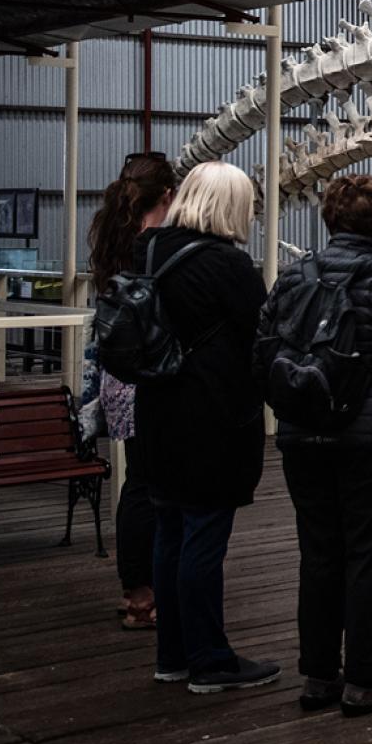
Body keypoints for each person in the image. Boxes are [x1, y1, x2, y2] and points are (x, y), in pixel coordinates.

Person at [257, 174, 372, 717]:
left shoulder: (293, 279)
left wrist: (291, 410)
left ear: (328, 220)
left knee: (319, 553)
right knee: (371, 555)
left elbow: (262, 352)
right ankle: (366, 678)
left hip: (306, 438)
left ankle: (319, 676)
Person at [133, 160, 277, 693]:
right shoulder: (227, 266)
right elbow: (261, 337)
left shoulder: (146, 249)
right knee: (203, 537)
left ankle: (172, 654)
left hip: (157, 413)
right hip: (212, 420)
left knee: (169, 532)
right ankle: (211, 660)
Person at [82, 151, 179, 632]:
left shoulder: (111, 237)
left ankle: (138, 589)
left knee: (139, 480)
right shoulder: (155, 246)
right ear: (167, 194)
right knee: (149, 484)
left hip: (120, 377)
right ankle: (144, 594)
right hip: (149, 376)